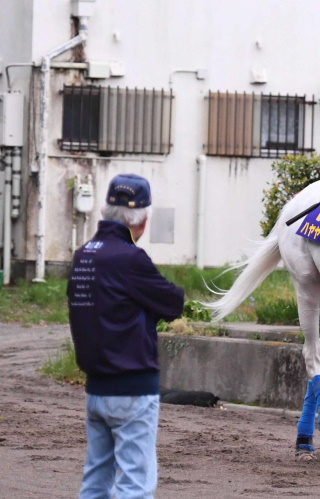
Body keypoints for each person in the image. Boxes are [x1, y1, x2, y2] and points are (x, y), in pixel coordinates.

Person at [67, 173, 185, 498]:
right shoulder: (131, 258)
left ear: (105, 210)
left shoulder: (83, 255)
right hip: (133, 388)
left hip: (96, 388)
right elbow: (173, 301)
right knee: (134, 485)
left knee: (95, 482)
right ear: (143, 219)